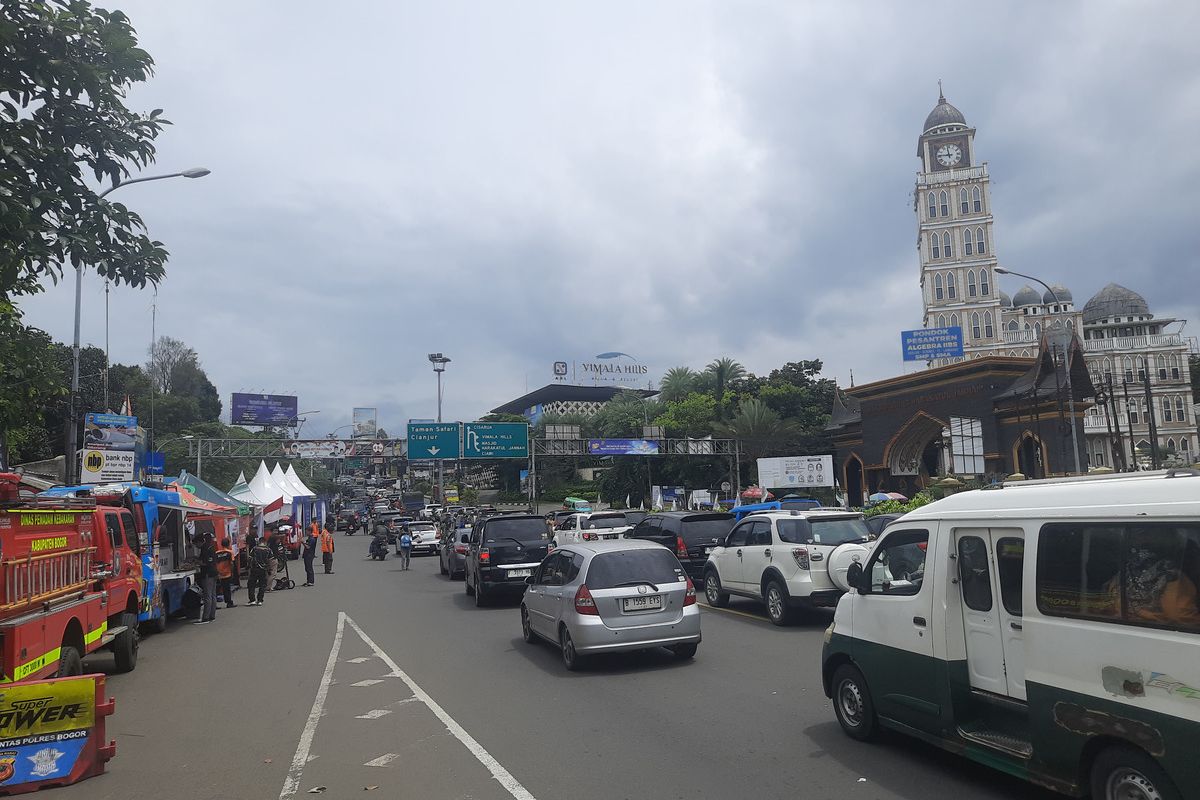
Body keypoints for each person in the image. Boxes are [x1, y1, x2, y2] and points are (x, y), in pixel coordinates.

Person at [195, 532, 218, 624]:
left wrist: (197, 563)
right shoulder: (211, 547)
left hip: (208, 573)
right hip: (214, 573)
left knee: (207, 596)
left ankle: (205, 617)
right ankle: (212, 615)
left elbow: (205, 562)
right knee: (213, 595)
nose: (196, 546)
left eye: (197, 543)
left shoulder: (205, 548)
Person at [246, 535, 273, 606]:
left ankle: (252, 600)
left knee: (251, 585)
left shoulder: (255, 549)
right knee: (262, 585)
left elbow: (250, 558)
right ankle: (260, 600)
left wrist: (248, 566)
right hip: (263, 570)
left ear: (259, 542)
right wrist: (269, 570)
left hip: (254, 569)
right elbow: (270, 561)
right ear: (265, 542)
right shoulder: (268, 550)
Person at [215, 537, 236, 608]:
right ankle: (229, 602)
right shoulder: (230, 552)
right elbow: (232, 563)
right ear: (228, 544)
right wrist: (232, 572)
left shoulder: (217, 553)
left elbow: (215, 563)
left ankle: (216, 604)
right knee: (227, 588)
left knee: (220, 589)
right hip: (227, 573)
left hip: (219, 574)